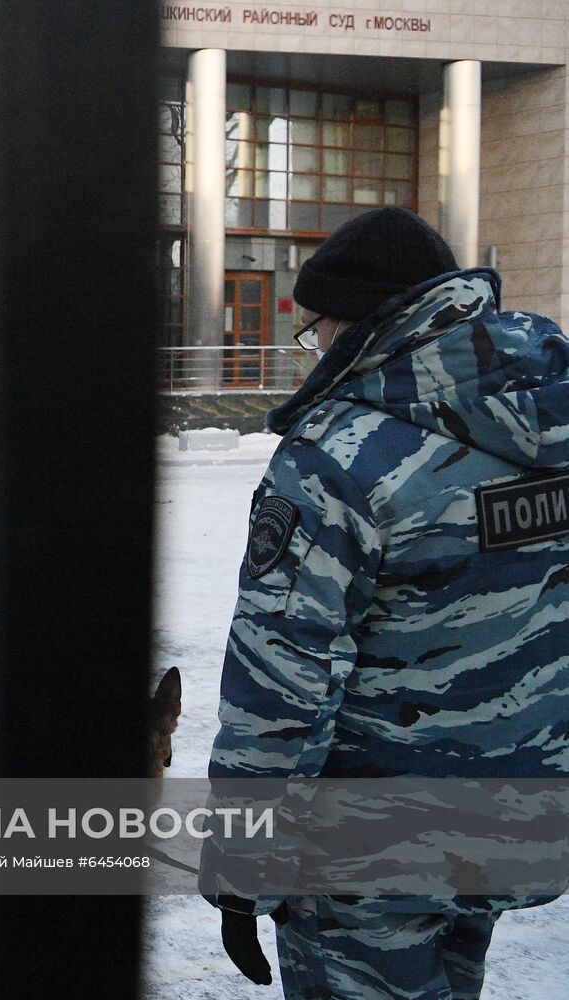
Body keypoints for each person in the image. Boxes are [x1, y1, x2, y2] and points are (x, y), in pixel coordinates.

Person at [201, 207, 569, 999]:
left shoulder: (339, 459)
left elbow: (281, 684)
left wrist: (240, 864)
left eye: (320, 327)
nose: (318, 347)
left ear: (365, 324)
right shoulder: (551, 418)